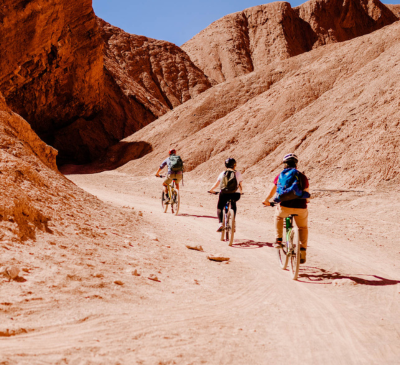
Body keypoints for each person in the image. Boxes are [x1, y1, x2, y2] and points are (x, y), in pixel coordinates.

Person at [262, 153, 310, 263]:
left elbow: (273, 190)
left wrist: (266, 200)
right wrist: (306, 200)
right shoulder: (302, 176)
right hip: (301, 207)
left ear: (284, 164)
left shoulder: (280, 175)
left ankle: (278, 240)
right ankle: (302, 251)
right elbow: (307, 193)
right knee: (303, 228)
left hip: (284, 207)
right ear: (296, 164)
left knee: (278, 217)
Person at [209, 158, 243, 232]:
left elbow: (217, 184)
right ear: (235, 165)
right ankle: (233, 223)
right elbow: (240, 185)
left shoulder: (223, 173)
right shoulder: (238, 173)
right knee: (233, 204)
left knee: (220, 207)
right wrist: (241, 192)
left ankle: (220, 223)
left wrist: (211, 190)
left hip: (224, 194)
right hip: (235, 194)